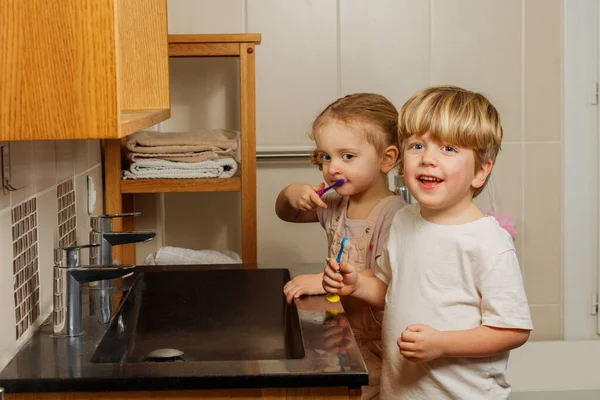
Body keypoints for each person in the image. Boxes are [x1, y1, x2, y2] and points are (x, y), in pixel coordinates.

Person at [323, 85, 533, 399]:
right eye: (417, 146)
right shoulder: (404, 221)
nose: (428, 159)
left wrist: (441, 344)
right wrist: (356, 286)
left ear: (480, 171)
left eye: (448, 149)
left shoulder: (487, 241)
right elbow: (390, 290)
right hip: (403, 391)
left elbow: (513, 330)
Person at [275, 93, 405, 399]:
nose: (333, 167)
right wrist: (290, 193)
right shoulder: (334, 202)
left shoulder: (394, 214)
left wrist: (325, 284)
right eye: (326, 156)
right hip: (341, 331)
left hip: (376, 344)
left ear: (386, 159)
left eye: (347, 156)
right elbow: (287, 214)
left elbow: (392, 285)